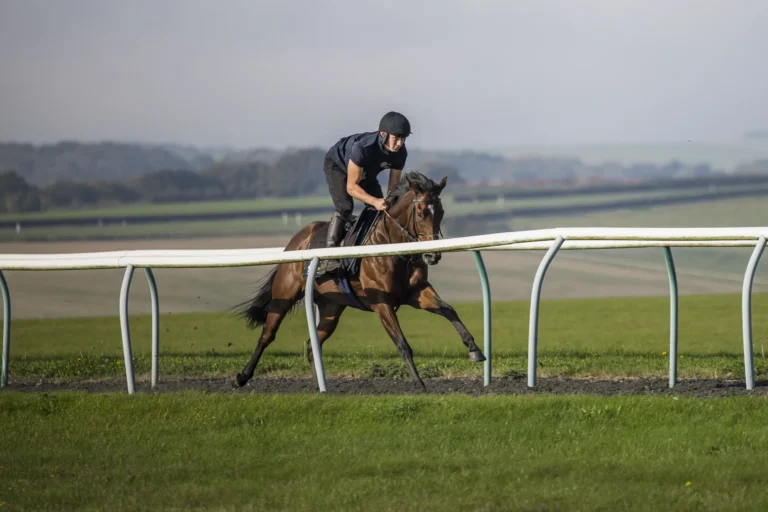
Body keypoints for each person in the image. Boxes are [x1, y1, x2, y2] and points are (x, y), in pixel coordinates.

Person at [316, 111, 412, 275]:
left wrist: (388, 202)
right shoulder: (363, 147)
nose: (399, 143)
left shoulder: (401, 153)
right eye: (396, 138)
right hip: (338, 166)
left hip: (365, 171)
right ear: (383, 134)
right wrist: (374, 201)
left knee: (381, 209)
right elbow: (351, 187)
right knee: (345, 207)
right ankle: (329, 257)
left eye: (403, 139)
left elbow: (393, 187)